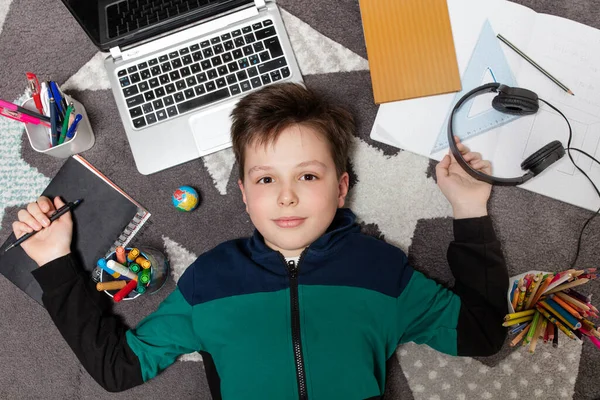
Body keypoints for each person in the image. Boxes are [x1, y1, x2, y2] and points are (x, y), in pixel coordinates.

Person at [13, 83, 508, 399]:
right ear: (246, 196)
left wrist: (469, 210)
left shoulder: (381, 271)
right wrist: (56, 263)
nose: (287, 198)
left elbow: (482, 333)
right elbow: (118, 369)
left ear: (341, 188)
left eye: (308, 177)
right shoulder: (210, 279)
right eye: (267, 180)